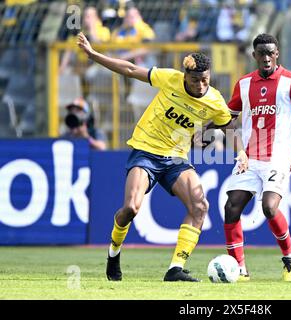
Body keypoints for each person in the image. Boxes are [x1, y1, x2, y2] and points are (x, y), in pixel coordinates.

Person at [77, 32, 247, 282]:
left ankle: (175, 268)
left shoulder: (215, 101)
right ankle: (114, 253)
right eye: (195, 80)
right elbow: (130, 69)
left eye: (205, 80)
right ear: (185, 76)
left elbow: (228, 126)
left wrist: (241, 152)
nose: (200, 86)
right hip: (146, 149)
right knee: (131, 208)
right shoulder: (171, 79)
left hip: (176, 158)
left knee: (200, 206)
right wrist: (93, 55)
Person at [224, 34, 291, 282]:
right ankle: (239, 268)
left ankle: (289, 256)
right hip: (249, 159)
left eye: (270, 53)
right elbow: (229, 119)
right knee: (231, 208)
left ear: (277, 54)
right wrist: (201, 130)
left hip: (279, 157)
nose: (266, 58)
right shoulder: (243, 84)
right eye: (261, 53)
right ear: (254, 56)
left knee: (269, 207)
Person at [59, 6, 111, 74]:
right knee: (65, 73)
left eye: (89, 16)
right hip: (80, 65)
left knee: (90, 73)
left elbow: (99, 45)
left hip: (97, 65)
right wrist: (62, 69)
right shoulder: (81, 33)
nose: (86, 19)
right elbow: (68, 51)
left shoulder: (104, 31)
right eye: (85, 16)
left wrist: (92, 29)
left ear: (97, 18)